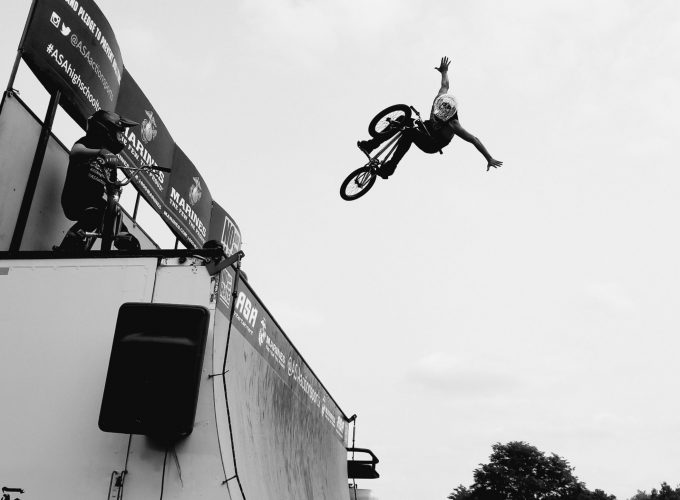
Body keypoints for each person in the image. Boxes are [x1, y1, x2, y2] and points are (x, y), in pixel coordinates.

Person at [357, 56, 503, 179]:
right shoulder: (440, 97)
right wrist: (444, 71)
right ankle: (371, 145)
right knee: (403, 120)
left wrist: (489, 158)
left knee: (409, 133)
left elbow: (474, 140)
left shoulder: (453, 124)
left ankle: (389, 168)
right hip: (427, 127)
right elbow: (445, 84)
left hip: (433, 142)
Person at [54, 110, 139, 251]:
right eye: (119, 131)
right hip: (76, 196)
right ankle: (67, 246)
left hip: (96, 200)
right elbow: (75, 151)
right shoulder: (89, 142)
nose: (121, 135)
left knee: (114, 215)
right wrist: (99, 152)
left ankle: (126, 243)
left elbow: (111, 186)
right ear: (108, 129)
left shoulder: (111, 161)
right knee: (94, 213)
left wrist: (115, 189)